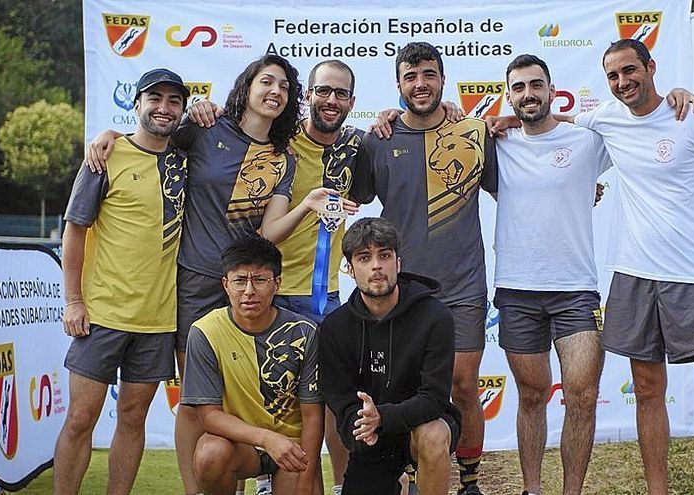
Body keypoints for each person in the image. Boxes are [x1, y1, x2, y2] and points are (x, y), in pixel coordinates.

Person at [87, 54, 351, 494]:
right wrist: (108, 134)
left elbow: (269, 232)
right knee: (196, 403)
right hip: (194, 282)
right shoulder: (205, 129)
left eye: (285, 87)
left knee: (246, 398)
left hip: (247, 287)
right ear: (246, 87)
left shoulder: (282, 157)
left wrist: (306, 207)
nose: (276, 92)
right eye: (267, 82)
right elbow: (149, 138)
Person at [572, 39, 694, 495]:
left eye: (630, 71)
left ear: (651, 67)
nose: (623, 82)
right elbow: (550, 120)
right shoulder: (606, 117)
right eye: (614, 76)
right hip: (634, 275)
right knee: (646, 390)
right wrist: (500, 120)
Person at [188, 58, 363, 495]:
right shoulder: (281, 145)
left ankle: (342, 486)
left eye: (341, 93)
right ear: (308, 97)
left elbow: (408, 132)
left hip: (325, 297)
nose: (331, 100)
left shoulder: (359, 145)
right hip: (268, 292)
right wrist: (111, 135)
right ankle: (264, 478)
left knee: (332, 403)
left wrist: (398, 114)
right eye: (323, 90)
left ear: (351, 101)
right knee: (246, 398)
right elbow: (155, 135)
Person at [351, 42, 496, 495]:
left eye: (429, 75)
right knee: (408, 389)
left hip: (463, 283)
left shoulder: (473, 134)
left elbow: (521, 178)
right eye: (411, 77)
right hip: (403, 290)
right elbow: (348, 199)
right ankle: (413, 476)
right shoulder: (378, 139)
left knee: (463, 384)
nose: (420, 84)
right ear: (398, 84)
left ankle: (469, 482)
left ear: (442, 79)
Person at [55, 68, 190, 495]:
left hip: (157, 319)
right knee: (80, 419)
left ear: (182, 110)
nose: (163, 108)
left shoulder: (187, 158)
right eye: (155, 99)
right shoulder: (105, 156)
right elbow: (74, 230)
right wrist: (73, 300)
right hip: (102, 313)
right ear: (136, 105)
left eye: (174, 101)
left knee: (133, 419)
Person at [493, 54, 612, 495]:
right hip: (517, 290)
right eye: (519, 87)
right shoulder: (496, 143)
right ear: (509, 96)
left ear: (551, 89)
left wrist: (679, 97)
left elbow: (638, 121)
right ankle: (532, 489)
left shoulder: (586, 141)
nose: (528, 94)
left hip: (575, 291)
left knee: (581, 397)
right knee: (531, 396)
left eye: (535, 85)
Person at [318, 217, 461, 495]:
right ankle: (400, 484)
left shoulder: (435, 316)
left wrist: (382, 416)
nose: (376, 266)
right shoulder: (334, 328)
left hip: (421, 424)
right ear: (349, 269)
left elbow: (434, 398)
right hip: (372, 437)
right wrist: (363, 431)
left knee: (432, 434)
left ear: (398, 263)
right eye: (364, 258)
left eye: (384, 255)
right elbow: (340, 401)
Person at [180, 236, 323, 495]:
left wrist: (305, 481)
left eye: (259, 280)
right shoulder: (205, 331)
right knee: (211, 453)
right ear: (225, 284)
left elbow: (313, 414)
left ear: (276, 284)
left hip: (292, 448)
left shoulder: (305, 332)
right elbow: (208, 415)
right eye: (239, 280)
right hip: (241, 445)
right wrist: (267, 439)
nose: (249, 291)